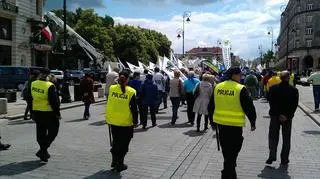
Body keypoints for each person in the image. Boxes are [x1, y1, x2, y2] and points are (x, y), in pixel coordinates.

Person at [208, 67, 256, 179]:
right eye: (240, 75)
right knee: (233, 152)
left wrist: (212, 123)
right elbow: (249, 107)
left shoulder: (218, 87)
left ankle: (229, 171)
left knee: (227, 152)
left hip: (221, 126)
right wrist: (253, 122)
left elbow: (211, 107)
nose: (241, 77)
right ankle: (227, 173)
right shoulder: (240, 88)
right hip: (235, 127)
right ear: (234, 75)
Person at [105, 70, 138, 172]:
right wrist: (136, 121)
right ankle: (120, 163)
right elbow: (134, 109)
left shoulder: (111, 88)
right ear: (127, 79)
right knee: (124, 144)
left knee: (116, 141)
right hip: (125, 122)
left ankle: (114, 161)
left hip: (112, 120)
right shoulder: (131, 91)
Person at [266, 71, 299, 165]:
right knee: (286, 138)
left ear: (280, 78)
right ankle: (284, 159)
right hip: (287, 118)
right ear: (288, 78)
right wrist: (287, 115)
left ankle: (272, 157)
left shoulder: (273, 88)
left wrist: (279, 114)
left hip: (275, 116)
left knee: (273, 137)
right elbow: (294, 105)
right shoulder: (294, 90)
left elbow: (271, 102)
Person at [28, 69, 61, 162]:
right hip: (48, 112)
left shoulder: (33, 84)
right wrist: (57, 113)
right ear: (48, 75)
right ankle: (43, 150)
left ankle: (43, 152)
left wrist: (32, 112)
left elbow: (29, 98)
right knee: (53, 131)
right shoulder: (49, 85)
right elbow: (54, 101)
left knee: (40, 132)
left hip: (37, 111)